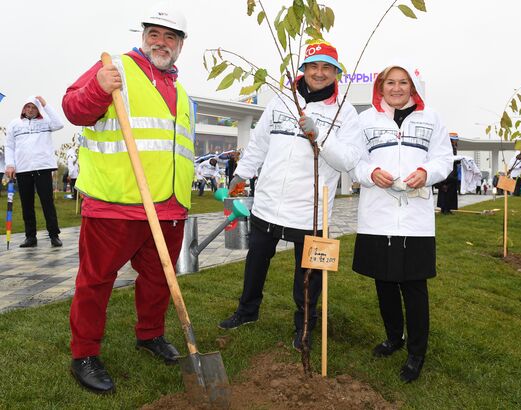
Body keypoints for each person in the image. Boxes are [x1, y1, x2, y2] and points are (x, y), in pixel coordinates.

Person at [62, 1, 194, 394]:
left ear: (180, 44)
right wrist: (98, 88)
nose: (161, 41)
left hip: (169, 208)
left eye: (170, 36)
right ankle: (84, 353)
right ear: (143, 36)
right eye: (154, 33)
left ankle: (150, 334)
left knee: (157, 280)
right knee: (96, 281)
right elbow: (74, 109)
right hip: (115, 203)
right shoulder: (116, 68)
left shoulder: (183, 93)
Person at [218, 41, 362, 352]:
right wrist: (241, 174)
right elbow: (259, 142)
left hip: (310, 210)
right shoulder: (283, 100)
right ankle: (247, 311)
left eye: (326, 68)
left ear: (336, 72)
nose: (319, 73)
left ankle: (305, 325)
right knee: (256, 262)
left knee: (308, 275)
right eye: (313, 66)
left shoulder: (345, 112)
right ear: (303, 70)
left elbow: (348, 161)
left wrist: (319, 134)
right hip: (268, 203)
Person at [350, 64, 452, 383]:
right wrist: (370, 174)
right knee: (384, 281)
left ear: (413, 86)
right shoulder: (365, 120)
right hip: (378, 216)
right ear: (380, 87)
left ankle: (416, 353)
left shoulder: (431, 118)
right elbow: (355, 161)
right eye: (390, 82)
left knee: (414, 285)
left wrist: (426, 173)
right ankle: (394, 337)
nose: (396, 88)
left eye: (403, 82)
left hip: (414, 219)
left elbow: (444, 160)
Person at [4, 96, 64, 247]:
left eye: (34, 107)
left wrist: (45, 104)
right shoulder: (14, 124)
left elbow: (59, 123)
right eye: (27, 107)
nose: (30, 110)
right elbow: (9, 146)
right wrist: (10, 164)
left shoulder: (46, 122)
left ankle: (54, 235)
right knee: (27, 204)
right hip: (23, 169)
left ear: (38, 109)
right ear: (23, 109)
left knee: (47, 202)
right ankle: (30, 237)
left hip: (42, 168)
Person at [435, 134, 459, 214]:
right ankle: (444, 209)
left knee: (449, 191)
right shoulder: (449, 148)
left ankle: (447, 209)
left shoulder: (453, 148)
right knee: (446, 190)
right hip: (448, 172)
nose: (456, 141)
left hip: (451, 171)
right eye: (455, 140)